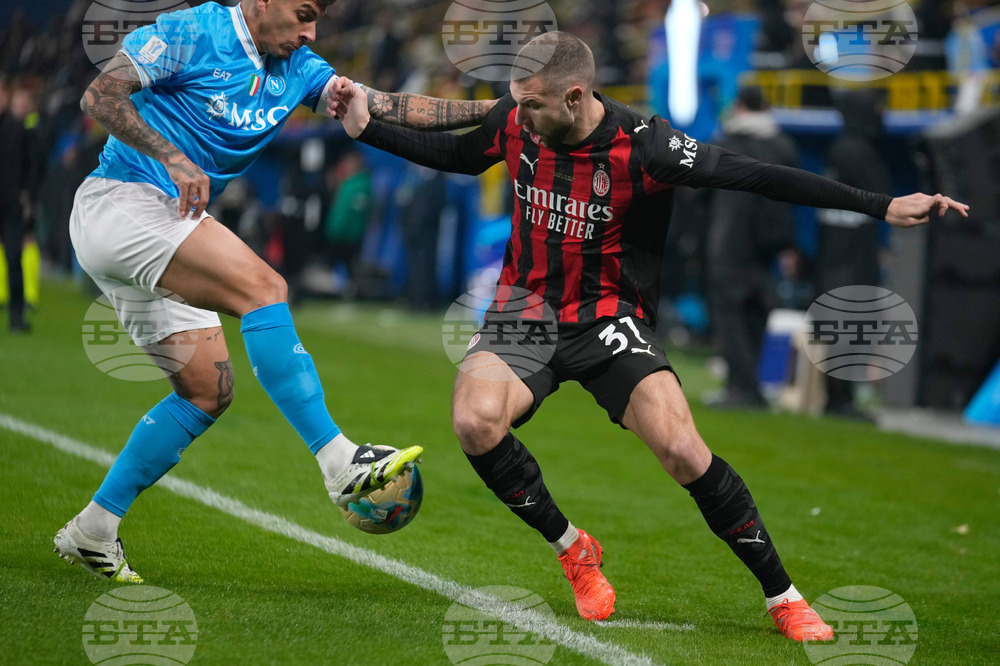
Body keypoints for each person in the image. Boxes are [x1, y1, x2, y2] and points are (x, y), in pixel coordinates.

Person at [331, 31, 969, 641]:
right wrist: (368, 125)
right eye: (516, 103)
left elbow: (757, 175)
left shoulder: (648, 146)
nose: (519, 118)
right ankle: (573, 549)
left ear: (577, 98)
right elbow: (459, 155)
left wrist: (878, 204)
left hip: (610, 318)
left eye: (532, 105)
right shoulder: (517, 117)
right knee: (475, 422)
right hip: (523, 313)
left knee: (684, 453)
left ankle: (785, 597)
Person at [53, 0, 494, 583]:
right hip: (123, 201)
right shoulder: (194, 31)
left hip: (167, 225)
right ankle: (339, 463)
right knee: (266, 287)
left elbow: (390, 106)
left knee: (206, 393)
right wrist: (174, 157)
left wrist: (505, 108)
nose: (310, 33)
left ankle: (93, 529)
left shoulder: (300, 68)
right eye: (303, 14)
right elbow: (99, 97)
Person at [704, 86, 799, 409]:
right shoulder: (783, 146)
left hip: (729, 245)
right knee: (756, 317)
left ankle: (742, 390)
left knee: (730, 320)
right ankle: (747, 386)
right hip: (766, 249)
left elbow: (701, 195)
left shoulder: (726, 145)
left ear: (740, 107)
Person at [816, 90, 894, 420]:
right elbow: (883, 199)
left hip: (835, 255)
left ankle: (838, 396)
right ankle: (840, 400)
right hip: (851, 257)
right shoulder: (857, 152)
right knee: (850, 323)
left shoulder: (838, 150)